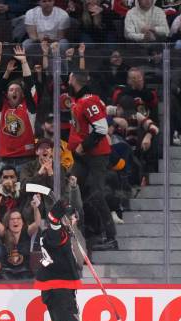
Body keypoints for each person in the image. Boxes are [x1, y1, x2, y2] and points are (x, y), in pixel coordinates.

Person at [34, 199, 84, 321]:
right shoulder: (56, 233)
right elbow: (53, 224)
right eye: (72, 216)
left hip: (60, 290)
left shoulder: (64, 234)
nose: (75, 219)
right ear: (65, 218)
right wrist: (55, 213)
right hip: (58, 290)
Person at [67, 71, 118, 251]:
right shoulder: (80, 99)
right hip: (82, 157)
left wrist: (84, 146)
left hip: (95, 156)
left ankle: (111, 237)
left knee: (96, 193)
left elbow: (102, 128)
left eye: (69, 77)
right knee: (72, 188)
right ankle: (74, 233)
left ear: (73, 79)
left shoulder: (88, 100)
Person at [0, 43, 37, 172]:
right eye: (11, 90)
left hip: (26, 160)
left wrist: (24, 62)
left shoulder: (29, 108)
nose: (14, 91)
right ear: (7, 94)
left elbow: (30, 87)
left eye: (17, 89)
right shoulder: (2, 108)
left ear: (22, 94)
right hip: (5, 161)